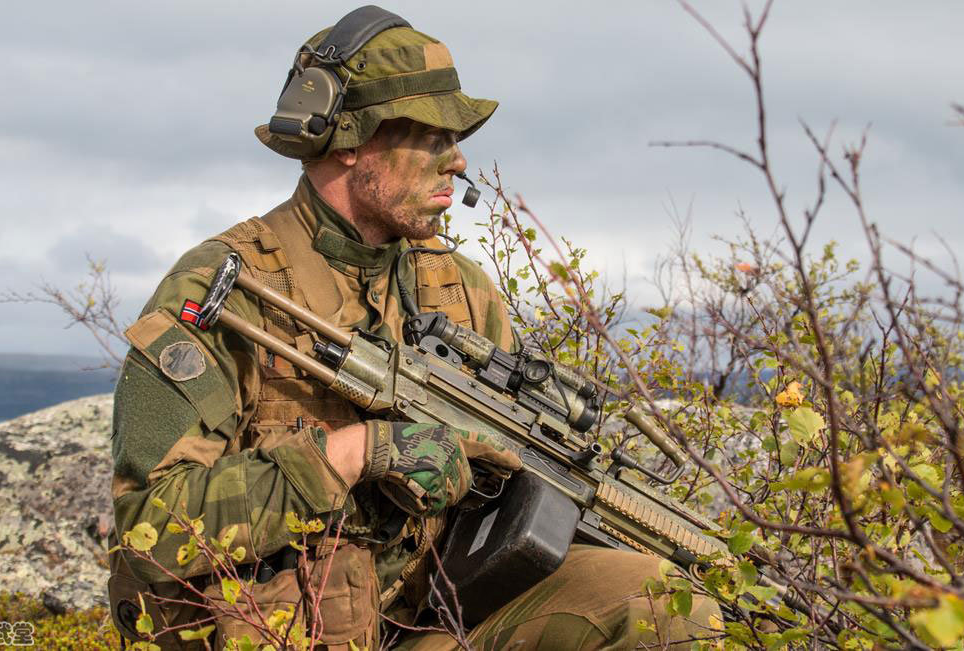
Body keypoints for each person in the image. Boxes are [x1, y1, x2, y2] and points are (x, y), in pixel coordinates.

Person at [108, 6, 720, 650]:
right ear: (348, 141)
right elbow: (149, 527)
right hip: (292, 629)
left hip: (435, 611)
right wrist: (352, 455)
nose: (456, 161)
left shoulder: (459, 289)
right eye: (431, 136)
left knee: (666, 603)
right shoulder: (225, 291)